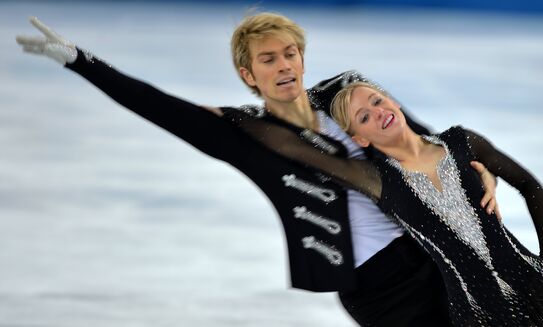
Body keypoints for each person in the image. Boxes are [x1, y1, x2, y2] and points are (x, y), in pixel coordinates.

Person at [16, 14, 498, 326]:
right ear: (249, 75)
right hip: (376, 287)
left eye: (290, 53)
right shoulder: (246, 136)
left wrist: (480, 172)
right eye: (269, 59)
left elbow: (427, 147)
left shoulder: (347, 98)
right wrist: (81, 61)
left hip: (436, 256)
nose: (284, 65)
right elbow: (159, 107)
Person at [327, 81, 543, 326]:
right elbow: (293, 147)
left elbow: (529, 185)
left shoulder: (461, 142)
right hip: (477, 312)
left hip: (533, 282)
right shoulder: (378, 180)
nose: (378, 112)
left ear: (393, 101)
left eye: (378, 101)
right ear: (360, 139)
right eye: (364, 117)